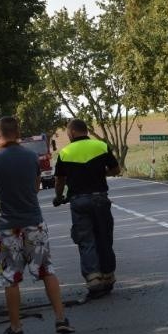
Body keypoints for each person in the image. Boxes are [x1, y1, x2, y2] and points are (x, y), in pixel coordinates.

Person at [0, 116, 74, 334]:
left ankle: (16, 328)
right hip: (34, 222)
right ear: (18, 132)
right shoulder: (32, 157)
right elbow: (35, 187)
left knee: (11, 277)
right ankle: (61, 319)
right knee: (46, 270)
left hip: (7, 226)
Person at [54, 119, 120, 298]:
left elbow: (60, 180)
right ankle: (108, 276)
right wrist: (101, 173)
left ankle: (93, 279)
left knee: (86, 240)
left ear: (73, 133)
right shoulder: (101, 146)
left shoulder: (65, 152)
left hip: (79, 202)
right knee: (104, 237)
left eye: (68, 133)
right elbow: (116, 170)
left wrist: (59, 197)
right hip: (100, 199)